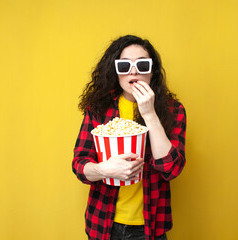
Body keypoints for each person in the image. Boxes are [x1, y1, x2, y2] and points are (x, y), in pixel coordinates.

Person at [72, 35, 186, 240]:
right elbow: (79, 164)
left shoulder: (173, 110)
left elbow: (171, 169)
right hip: (103, 223)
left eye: (142, 65)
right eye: (124, 66)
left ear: (152, 71)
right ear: (115, 72)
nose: (133, 71)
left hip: (150, 228)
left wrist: (150, 114)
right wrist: (102, 169)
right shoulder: (99, 109)